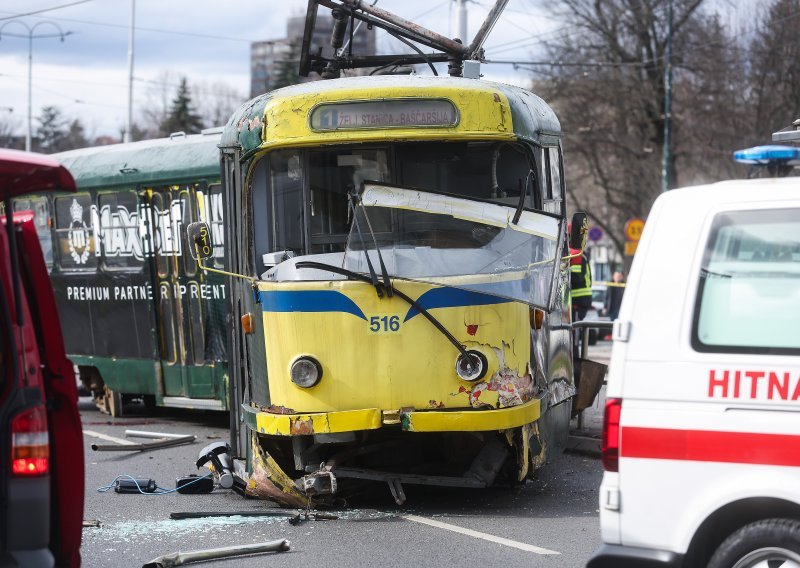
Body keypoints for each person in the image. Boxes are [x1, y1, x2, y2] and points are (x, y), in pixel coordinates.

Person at [570, 247, 592, 321]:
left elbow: (577, 278)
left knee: (575, 325)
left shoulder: (577, 256)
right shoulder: (582, 256)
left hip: (578, 298)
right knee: (578, 326)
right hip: (582, 298)